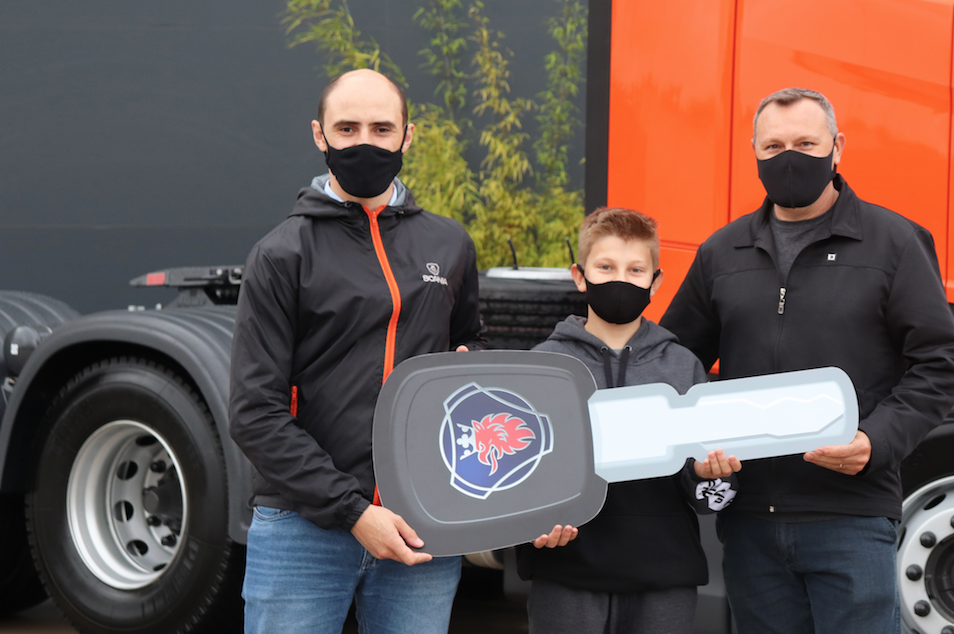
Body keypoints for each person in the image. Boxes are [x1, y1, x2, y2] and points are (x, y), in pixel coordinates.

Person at [661, 87, 954, 634]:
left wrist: (876, 441)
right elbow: (672, 365)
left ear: (837, 147)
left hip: (851, 517)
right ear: (754, 152)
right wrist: (697, 446)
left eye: (806, 143)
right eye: (773, 146)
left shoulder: (893, 242)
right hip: (750, 521)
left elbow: (940, 363)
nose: (790, 159)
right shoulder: (721, 253)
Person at [229, 68, 485, 634]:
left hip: (423, 524)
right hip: (303, 530)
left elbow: (472, 347)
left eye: (381, 129)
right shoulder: (281, 254)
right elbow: (254, 413)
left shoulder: (450, 244)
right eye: (347, 129)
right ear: (319, 135)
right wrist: (354, 512)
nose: (364, 143)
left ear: (407, 137)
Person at [517, 207, 741, 634]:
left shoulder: (683, 367)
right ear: (580, 276)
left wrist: (712, 475)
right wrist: (532, 527)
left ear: (655, 282)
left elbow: (705, 497)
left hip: (664, 578)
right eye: (605, 267)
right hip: (565, 574)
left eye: (635, 270)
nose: (620, 280)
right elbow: (521, 474)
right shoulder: (543, 365)